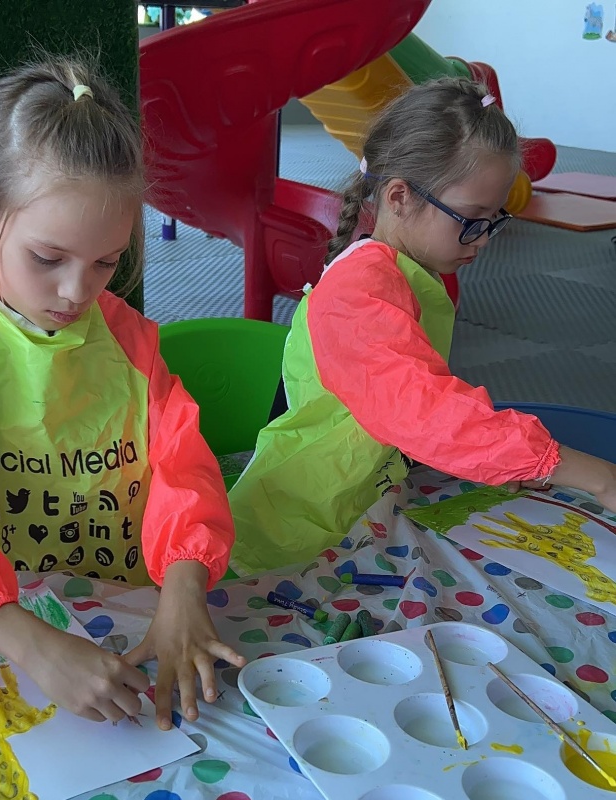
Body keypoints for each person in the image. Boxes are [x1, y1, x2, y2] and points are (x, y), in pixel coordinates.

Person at [0, 55, 244, 730]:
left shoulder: (127, 337)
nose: (78, 292)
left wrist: (184, 582)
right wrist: (31, 643)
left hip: (120, 610)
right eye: (48, 259)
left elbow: (181, 462)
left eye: (107, 261)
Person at [229, 77, 616, 576]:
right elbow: (422, 409)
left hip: (359, 504)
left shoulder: (411, 269)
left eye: (494, 220)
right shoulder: (356, 294)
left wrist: (497, 460)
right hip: (295, 529)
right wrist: (595, 476)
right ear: (399, 196)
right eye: (472, 219)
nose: (483, 240)